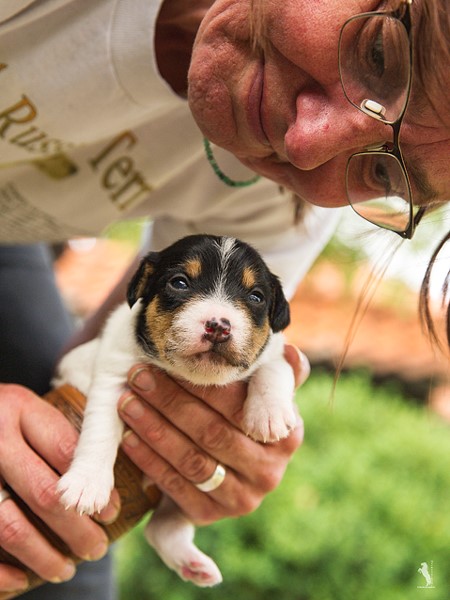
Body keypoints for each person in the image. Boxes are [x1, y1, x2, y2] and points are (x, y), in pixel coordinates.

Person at [0, 0, 448, 597]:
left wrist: (192, 454)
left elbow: (103, 355)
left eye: (386, 175)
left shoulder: (280, 206)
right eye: (379, 55)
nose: (307, 144)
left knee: (62, 559)